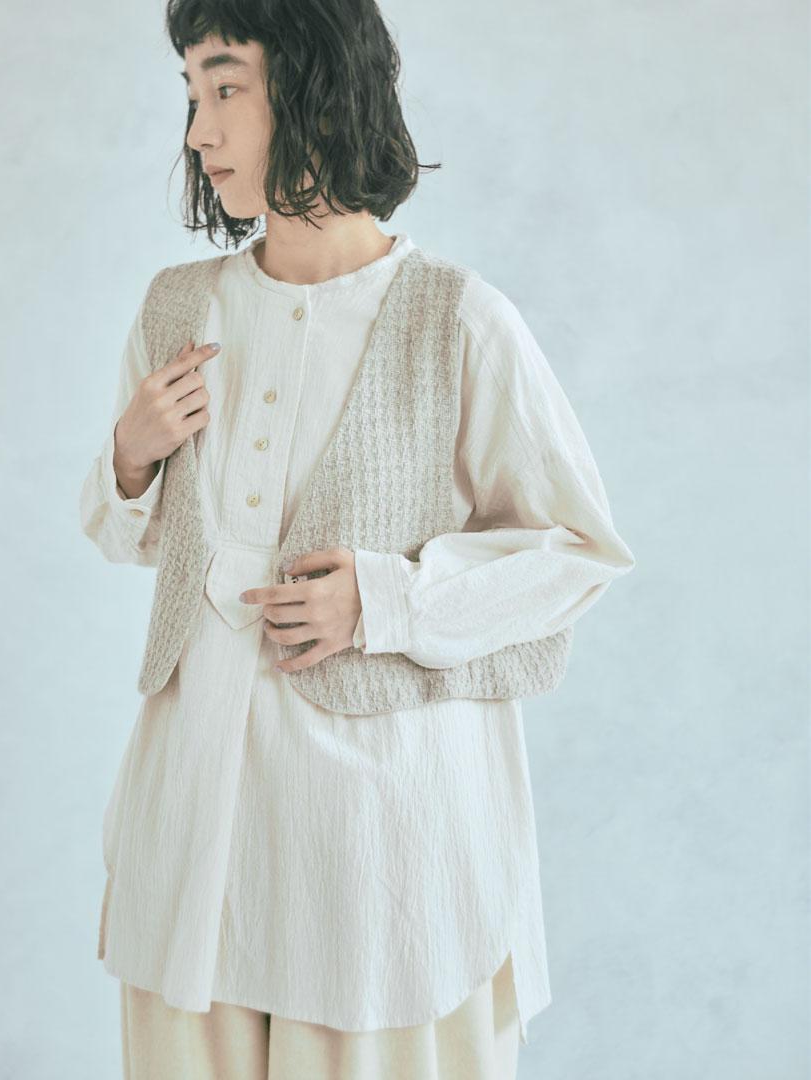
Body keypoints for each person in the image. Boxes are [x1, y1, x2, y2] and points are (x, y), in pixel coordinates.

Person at [79, 1, 637, 1077]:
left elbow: (578, 550)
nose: (198, 130)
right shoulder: (176, 309)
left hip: (378, 864)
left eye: (226, 88)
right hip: (191, 835)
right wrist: (130, 456)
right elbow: (131, 535)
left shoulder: (457, 318)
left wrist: (386, 598)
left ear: (317, 90)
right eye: (191, 95)